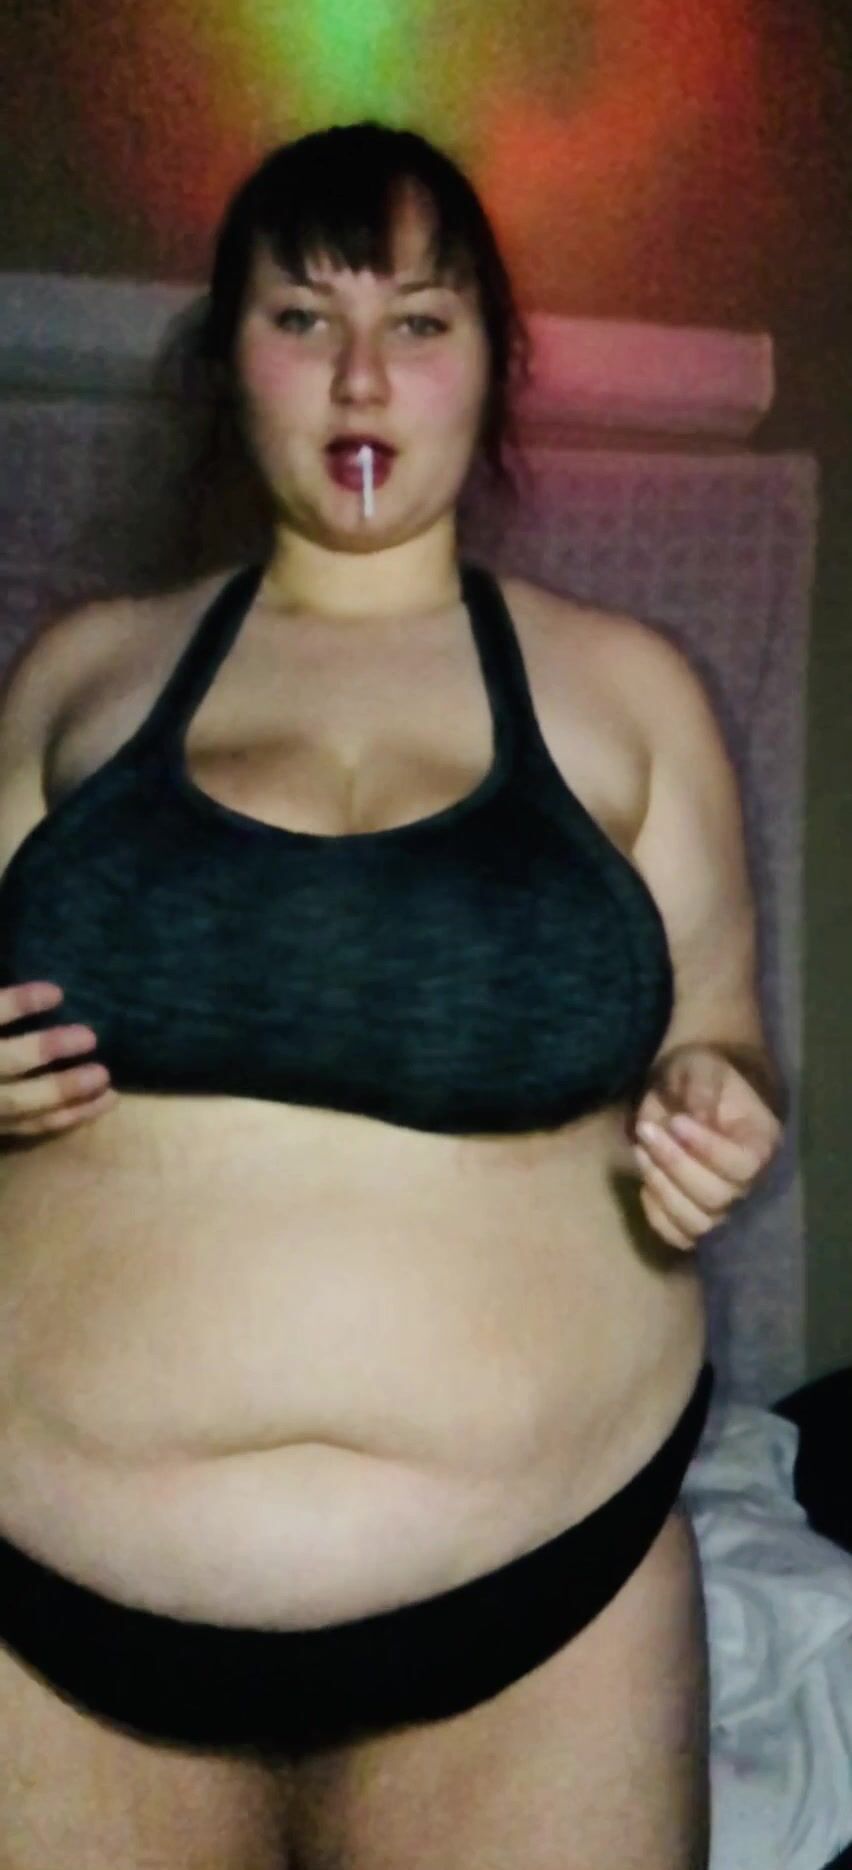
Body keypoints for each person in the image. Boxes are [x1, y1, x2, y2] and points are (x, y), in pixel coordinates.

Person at [0, 120, 782, 1869]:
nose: (362, 377)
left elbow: (719, 1027)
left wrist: (718, 1097)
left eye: (420, 322)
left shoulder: (628, 691)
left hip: (541, 1619)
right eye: (304, 318)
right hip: (45, 1617)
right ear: (229, 357)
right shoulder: (79, 674)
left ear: (492, 364)